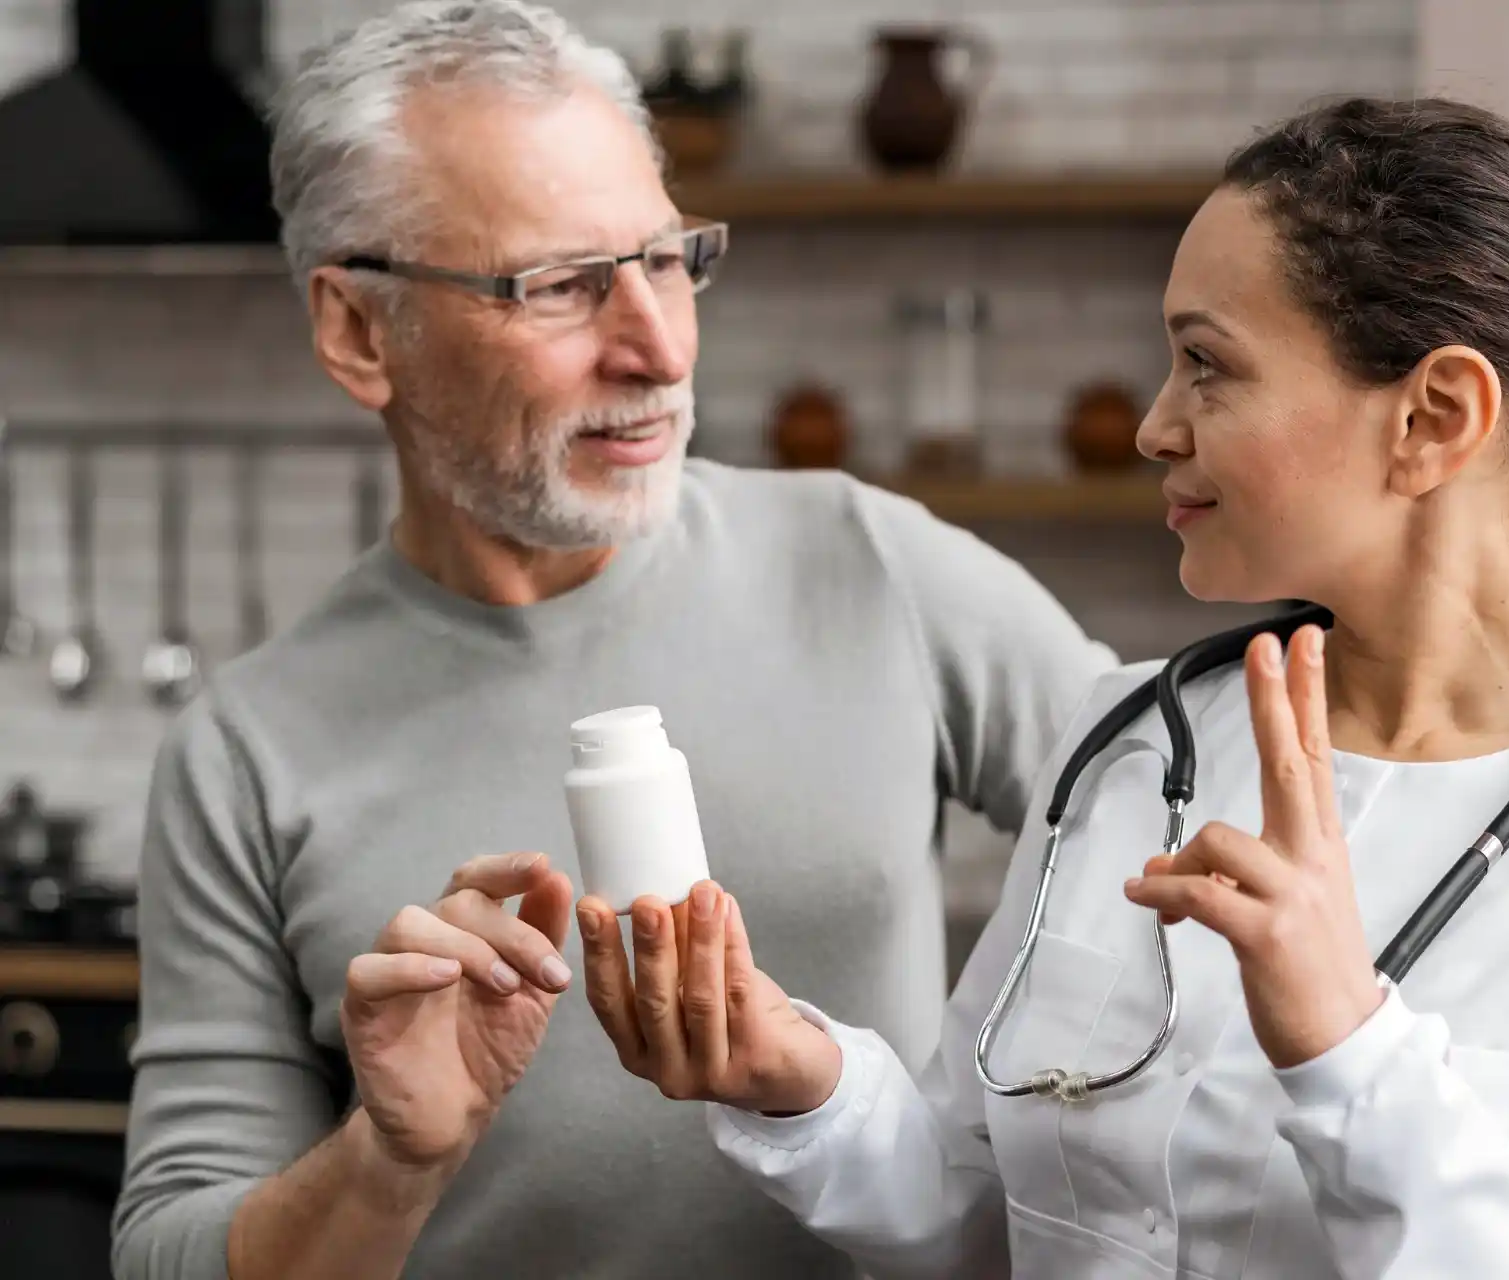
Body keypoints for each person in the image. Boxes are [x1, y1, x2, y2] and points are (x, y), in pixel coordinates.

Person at [579, 96, 1509, 1278]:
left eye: (1207, 365)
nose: (1154, 426)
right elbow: (980, 1224)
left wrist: (1346, 1041)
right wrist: (802, 1082)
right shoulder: (1127, 740)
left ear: (1434, 417)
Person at [108, 4, 1114, 1279]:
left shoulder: (873, 564)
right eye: (560, 285)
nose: (659, 346)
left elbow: (1196, 848)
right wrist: (389, 1162)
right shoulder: (244, 753)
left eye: (667, 259)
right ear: (361, 332)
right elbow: (169, 1249)